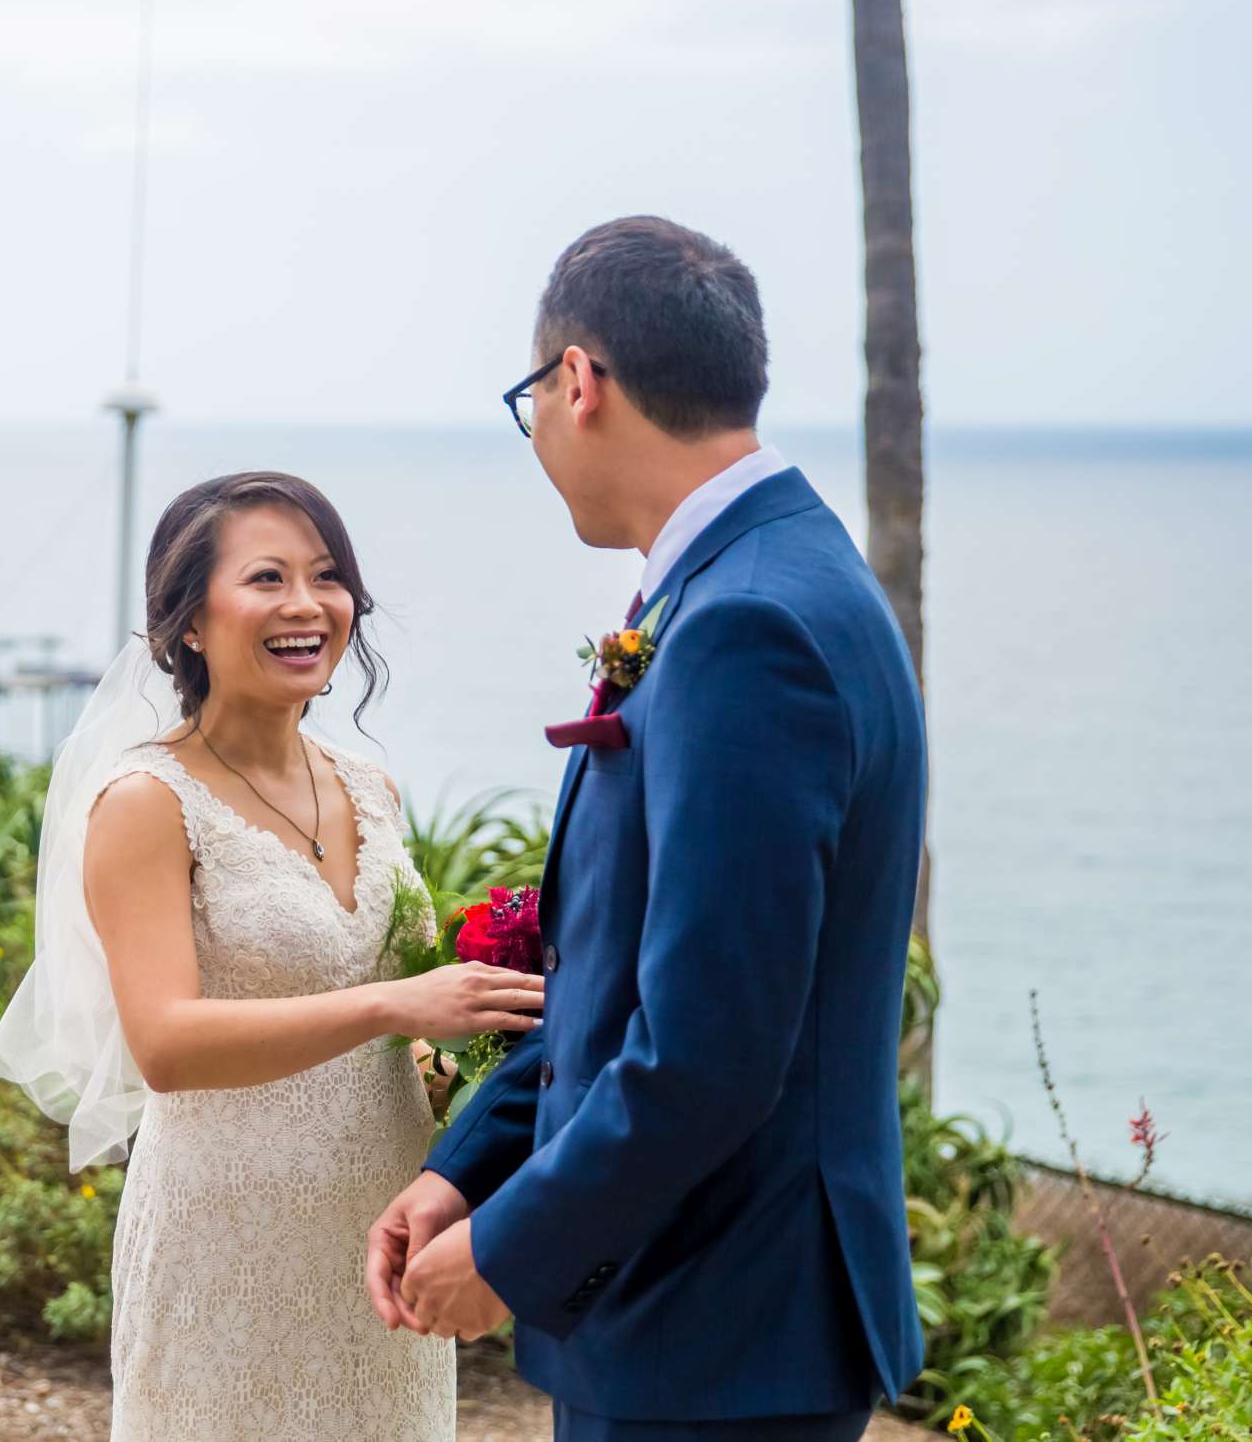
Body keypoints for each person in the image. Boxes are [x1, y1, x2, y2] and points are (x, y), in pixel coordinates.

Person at [368, 216, 929, 1442]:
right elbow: (611, 982)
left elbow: (710, 1047)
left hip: (717, 1322)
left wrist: (510, 1247)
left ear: (580, 379)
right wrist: (463, 1169)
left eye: (533, 401)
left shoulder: (746, 627)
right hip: (713, 1322)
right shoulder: (761, 575)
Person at [0, 469, 544, 1441]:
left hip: (381, 1221)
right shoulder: (146, 803)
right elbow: (166, 1043)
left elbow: (394, 1014)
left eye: (326, 577)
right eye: (268, 578)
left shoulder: (370, 786)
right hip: (227, 1240)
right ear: (189, 623)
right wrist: (398, 1008)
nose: (307, 606)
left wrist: (460, 1071)